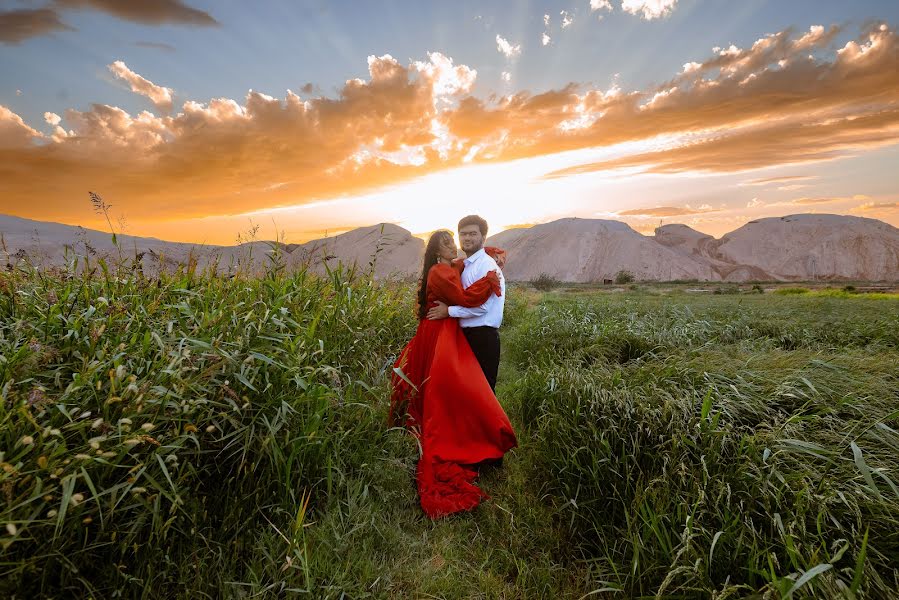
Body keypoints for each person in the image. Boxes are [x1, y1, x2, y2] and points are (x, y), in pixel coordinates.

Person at [390, 229, 517, 519]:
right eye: (447, 242)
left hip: (443, 331)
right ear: (436, 251)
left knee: (447, 387)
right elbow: (463, 297)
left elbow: (465, 262)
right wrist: (489, 282)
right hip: (441, 333)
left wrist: (492, 253)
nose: (454, 245)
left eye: (454, 240)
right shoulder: (440, 272)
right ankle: (469, 441)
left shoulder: (449, 266)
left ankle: (478, 442)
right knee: (449, 386)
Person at [426, 215, 504, 391]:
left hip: (482, 338)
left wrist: (449, 312)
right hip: (463, 337)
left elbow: (482, 307)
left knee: (483, 393)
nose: (467, 238)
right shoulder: (463, 265)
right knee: (465, 393)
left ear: (483, 237)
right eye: (463, 234)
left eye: (473, 234)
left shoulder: (487, 266)